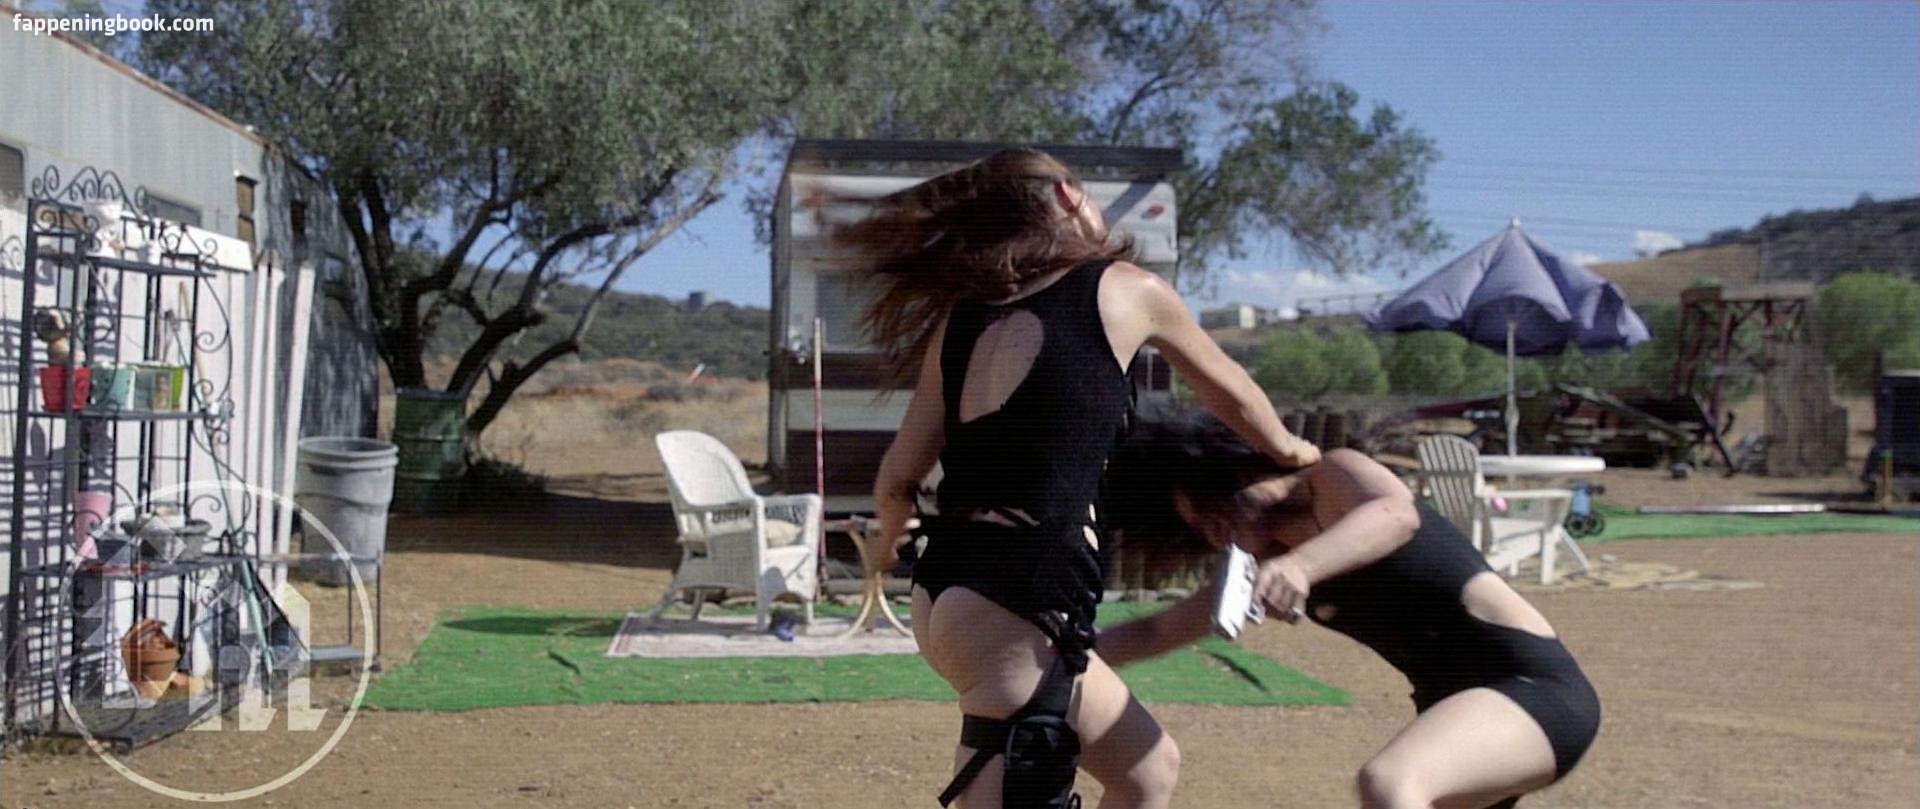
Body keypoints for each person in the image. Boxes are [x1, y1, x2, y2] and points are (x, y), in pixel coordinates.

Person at [833, 148, 1321, 808]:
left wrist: (888, 543)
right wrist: (1292, 450)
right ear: (1067, 196)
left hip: (944, 594)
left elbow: (898, 480)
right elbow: (1230, 393)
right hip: (1020, 600)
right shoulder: (1127, 288)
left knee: (1148, 769)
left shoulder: (960, 320)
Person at [1097, 408, 1601, 809]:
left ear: (1237, 472)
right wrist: (1069, 656)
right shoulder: (1264, 563)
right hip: (1455, 714)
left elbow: (1396, 515)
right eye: (1201, 531)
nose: (1216, 536)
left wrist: (1303, 566)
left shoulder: (1332, 478)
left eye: (1214, 513)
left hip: (1534, 691)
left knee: (1390, 782)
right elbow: (1155, 632)